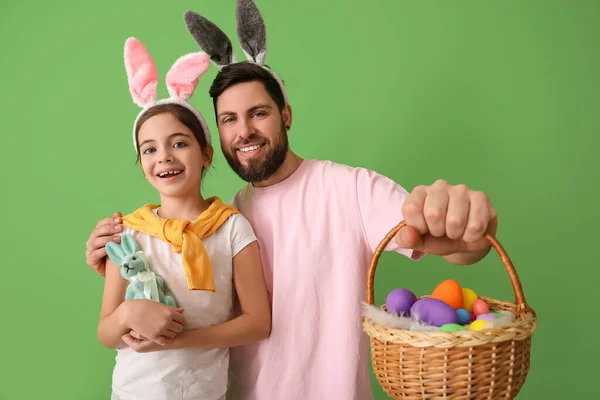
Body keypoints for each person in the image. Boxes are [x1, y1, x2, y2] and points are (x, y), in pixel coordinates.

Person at [86, 2, 497, 399]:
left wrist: (469, 232)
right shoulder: (224, 218)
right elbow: (173, 294)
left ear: (286, 114)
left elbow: (442, 240)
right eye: (229, 119)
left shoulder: (350, 189)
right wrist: (116, 257)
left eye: (258, 113)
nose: (244, 131)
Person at [97, 37, 271, 400]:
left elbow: (257, 323)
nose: (164, 157)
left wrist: (177, 341)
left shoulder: (233, 227)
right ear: (143, 164)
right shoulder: (127, 232)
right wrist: (129, 312)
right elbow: (106, 332)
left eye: (179, 143)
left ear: (206, 155)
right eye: (150, 149)